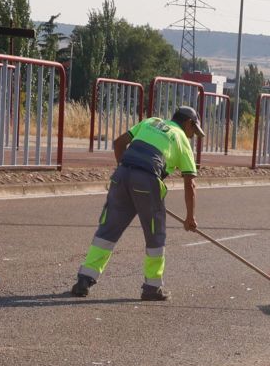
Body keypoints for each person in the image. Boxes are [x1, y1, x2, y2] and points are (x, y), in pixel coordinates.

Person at [71, 105, 201, 301]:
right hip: (147, 181)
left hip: (122, 176)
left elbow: (118, 143)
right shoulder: (181, 138)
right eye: (194, 130)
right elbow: (190, 183)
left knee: (107, 230)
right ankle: (152, 288)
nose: (193, 136)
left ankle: (84, 279)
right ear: (188, 123)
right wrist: (190, 217)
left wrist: (126, 173)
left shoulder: (151, 121)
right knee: (155, 236)